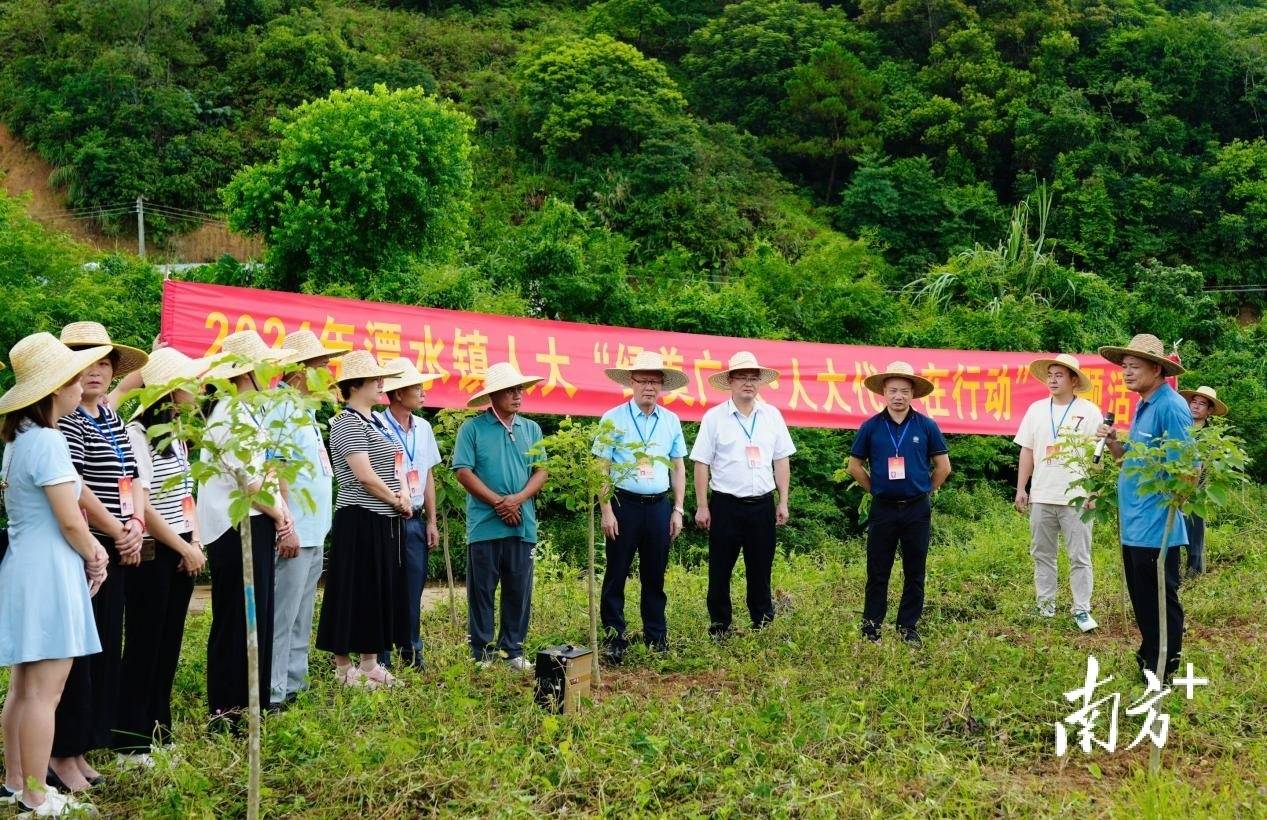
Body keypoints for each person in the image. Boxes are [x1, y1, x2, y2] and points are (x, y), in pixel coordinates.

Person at [0, 333, 111, 817]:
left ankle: (14, 782)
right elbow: (69, 518)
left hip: (25, 568)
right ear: (56, 389)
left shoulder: (19, 439)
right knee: (45, 693)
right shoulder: (48, 440)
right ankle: (35, 794)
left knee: (24, 688)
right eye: (72, 378)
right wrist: (95, 553)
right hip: (48, 572)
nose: (80, 387)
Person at [50, 321, 148, 791]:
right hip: (84, 545)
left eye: (105, 362)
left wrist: (134, 526)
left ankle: (84, 745)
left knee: (107, 644)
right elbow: (75, 485)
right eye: (86, 362)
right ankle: (61, 753)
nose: (97, 371)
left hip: (115, 541)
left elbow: (129, 476)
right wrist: (113, 529)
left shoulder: (108, 416)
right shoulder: (66, 419)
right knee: (79, 653)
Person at [114, 349, 209, 763]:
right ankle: (129, 740)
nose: (199, 389)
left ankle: (159, 729)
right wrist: (183, 545)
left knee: (169, 643)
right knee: (144, 643)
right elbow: (144, 507)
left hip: (182, 549)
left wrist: (196, 541)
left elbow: (186, 496)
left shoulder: (177, 434)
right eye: (190, 383)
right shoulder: (138, 433)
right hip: (156, 554)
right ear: (170, 391)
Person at [199, 330, 299, 724]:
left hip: (257, 521)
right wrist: (279, 513)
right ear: (246, 371)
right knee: (237, 618)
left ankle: (249, 704)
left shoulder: (245, 411)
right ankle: (227, 710)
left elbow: (265, 473)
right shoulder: (229, 413)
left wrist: (280, 512)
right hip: (236, 525)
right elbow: (248, 483)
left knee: (255, 615)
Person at [1096, 333, 1191, 682]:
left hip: (1156, 525)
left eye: (1135, 366)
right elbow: (1131, 463)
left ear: (1156, 368)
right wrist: (1113, 444)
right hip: (1134, 523)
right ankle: (1150, 654)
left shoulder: (1171, 406)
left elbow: (1186, 468)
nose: (1127, 373)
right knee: (1144, 600)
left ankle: (1164, 669)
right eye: (1125, 367)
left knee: (1160, 602)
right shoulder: (1143, 404)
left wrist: (1170, 506)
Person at [315, 351, 409, 688]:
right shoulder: (345, 422)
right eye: (374, 379)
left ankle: (370, 663)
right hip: (358, 516)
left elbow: (390, 467)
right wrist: (396, 499)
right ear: (355, 385)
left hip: (383, 518)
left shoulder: (375, 422)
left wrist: (401, 496)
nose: (381, 383)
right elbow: (364, 476)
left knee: (375, 589)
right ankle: (343, 667)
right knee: (349, 590)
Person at [691, 351, 795, 638]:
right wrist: (702, 506)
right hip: (725, 504)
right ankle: (720, 624)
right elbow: (702, 463)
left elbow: (782, 460)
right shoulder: (714, 418)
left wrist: (783, 500)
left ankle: (762, 621)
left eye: (753, 378)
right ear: (730, 381)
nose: (748, 383)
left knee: (760, 567)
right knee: (720, 568)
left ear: (759, 382)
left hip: (762, 503)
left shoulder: (772, 415)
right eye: (742, 377)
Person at [452, 362, 548, 672]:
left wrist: (517, 499)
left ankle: (513, 650)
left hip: (523, 523)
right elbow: (463, 471)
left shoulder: (531, 429)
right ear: (493, 395)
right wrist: (498, 502)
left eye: (520, 389)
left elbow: (541, 471)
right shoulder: (473, 429)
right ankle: (481, 652)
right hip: (484, 525)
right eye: (510, 390)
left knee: (519, 589)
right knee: (482, 590)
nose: (518, 394)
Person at [847, 361, 951, 645]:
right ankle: (871, 627)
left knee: (915, 570)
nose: (898, 396)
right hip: (884, 508)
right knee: (877, 569)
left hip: (917, 508)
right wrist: (874, 490)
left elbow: (943, 466)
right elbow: (854, 466)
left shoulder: (926, 426)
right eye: (893, 390)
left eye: (905, 391)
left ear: (913, 393)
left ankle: (908, 627)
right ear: (883, 392)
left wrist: (925, 491)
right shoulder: (871, 427)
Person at [594, 351, 688, 661]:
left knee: (655, 574)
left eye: (655, 381)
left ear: (662, 386)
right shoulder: (612, 418)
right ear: (631, 383)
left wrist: (678, 509)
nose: (649, 386)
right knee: (616, 572)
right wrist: (606, 510)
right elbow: (601, 467)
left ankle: (656, 637)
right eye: (643, 380)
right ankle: (614, 639)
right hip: (624, 505)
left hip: (659, 507)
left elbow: (678, 467)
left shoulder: (671, 420)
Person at [268, 331, 345, 707]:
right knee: (283, 616)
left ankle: (294, 684)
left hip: (315, 532)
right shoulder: (281, 408)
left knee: (301, 613)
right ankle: (274, 689)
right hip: (295, 531)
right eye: (321, 367)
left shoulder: (309, 413)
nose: (328, 375)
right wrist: (287, 524)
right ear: (299, 371)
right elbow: (276, 467)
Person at [1012, 353, 1103, 631]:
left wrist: (1094, 491)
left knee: (1079, 555)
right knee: (1042, 553)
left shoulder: (1089, 411)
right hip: (1041, 494)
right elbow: (1027, 450)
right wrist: (1021, 488)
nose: (1052, 379)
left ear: (1073, 380)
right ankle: (1046, 605)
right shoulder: (1036, 410)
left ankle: (1082, 609)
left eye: (1059, 375)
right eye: (1050, 375)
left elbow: (1097, 456)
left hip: (1076, 497)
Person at [373, 358, 443, 671]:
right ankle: (382, 657)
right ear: (399, 394)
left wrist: (431, 521)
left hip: (414, 519)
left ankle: (412, 652)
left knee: (413, 588)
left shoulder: (424, 428)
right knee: (385, 587)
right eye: (417, 386)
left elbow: (427, 475)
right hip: (385, 517)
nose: (423, 392)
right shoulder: (376, 424)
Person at [1176, 385, 1227, 577]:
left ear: (1210, 410)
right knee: (1173, 528)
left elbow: (1210, 467)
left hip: (1198, 490)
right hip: (1176, 487)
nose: (1195, 406)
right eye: (1194, 402)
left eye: (1202, 404)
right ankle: (1175, 568)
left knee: (1194, 529)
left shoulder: (1211, 437)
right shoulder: (1180, 428)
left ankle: (1194, 570)